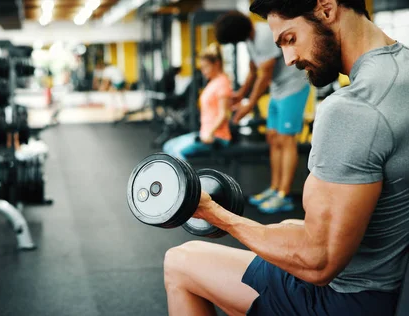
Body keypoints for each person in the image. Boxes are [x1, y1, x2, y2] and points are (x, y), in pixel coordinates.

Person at [164, 0, 408, 315]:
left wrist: (214, 214)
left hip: (344, 299)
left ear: (326, 8)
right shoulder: (400, 71)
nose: (289, 59)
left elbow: (318, 262)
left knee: (179, 262)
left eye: (290, 39)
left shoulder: (352, 109)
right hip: (390, 285)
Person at [214, 11, 311, 213]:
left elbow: (264, 76)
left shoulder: (265, 36)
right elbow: (253, 70)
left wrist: (248, 106)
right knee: (273, 138)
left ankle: (283, 195)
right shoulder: (250, 39)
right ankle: (274, 189)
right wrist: (241, 94)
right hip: (278, 89)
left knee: (286, 140)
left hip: (293, 88)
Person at [162, 44, 232, 160]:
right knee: (168, 146)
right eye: (202, 67)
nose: (203, 71)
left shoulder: (222, 83)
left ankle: (188, 178)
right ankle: (181, 177)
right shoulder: (213, 82)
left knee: (177, 151)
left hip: (217, 137)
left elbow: (223, 114)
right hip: (203, 133)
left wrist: (210, 132)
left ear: (217, 64)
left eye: (206, 67)